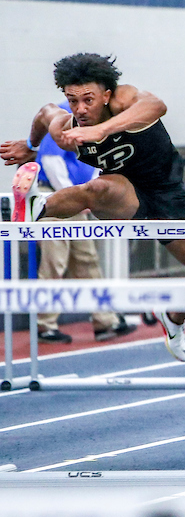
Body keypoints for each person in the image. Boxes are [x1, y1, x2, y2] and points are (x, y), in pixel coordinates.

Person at [34, 53, 185, 362]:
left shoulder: (124, 99)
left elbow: (157, 106)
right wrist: (29, 148)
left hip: (167, 195)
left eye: (88, 100)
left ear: (106, 95)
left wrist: (102, 130)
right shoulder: (68, 130)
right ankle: (36, 206)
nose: (80, 109)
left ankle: (173, 316)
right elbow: (44, 114)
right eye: (73, 100)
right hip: (122, 195)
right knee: (96, 189)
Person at [2, 102, 136, 344]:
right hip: (55, 194)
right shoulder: (64, 116)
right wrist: (76, 196)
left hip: (79, 194)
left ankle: (104, 320)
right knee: (55, 261)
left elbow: (99, 165)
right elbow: (51, 162)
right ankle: (45, 325)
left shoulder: (104, 121)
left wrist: (91, 193)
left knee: (87, 259)